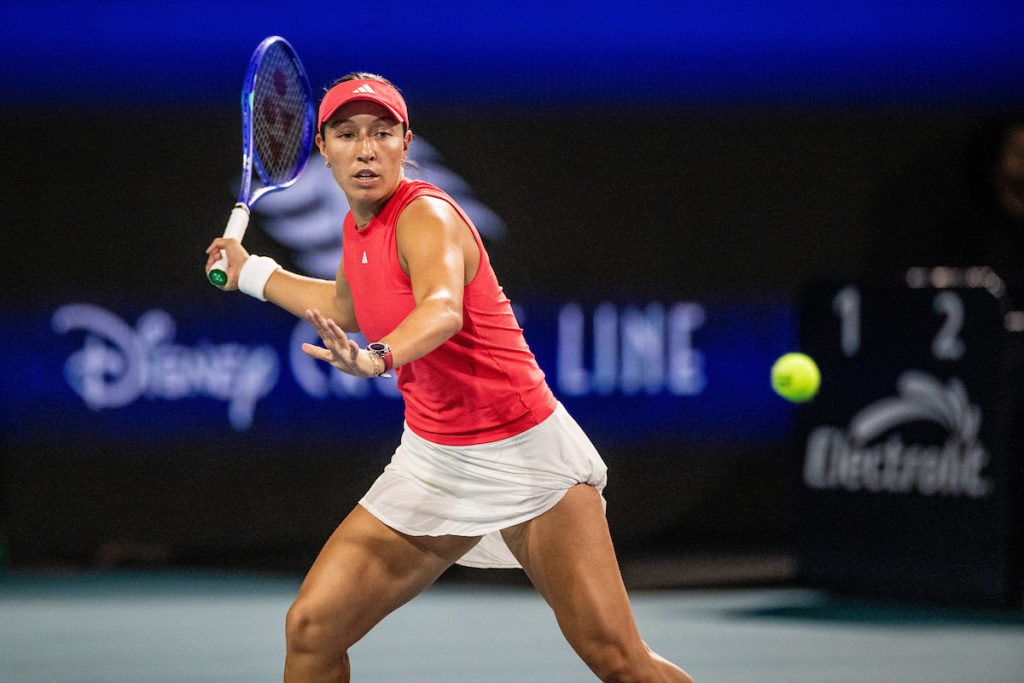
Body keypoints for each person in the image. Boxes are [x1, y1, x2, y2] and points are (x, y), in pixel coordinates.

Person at [204, 73, 694, 683]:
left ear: (405, 143)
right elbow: (346, 305)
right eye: (348, 134)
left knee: (619, 661)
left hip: (523, 453)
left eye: (382, 133)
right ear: (323, 149)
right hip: (433, 459)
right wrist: (252, 273)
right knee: (312, 630)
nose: (366, 150)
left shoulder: (427, 216)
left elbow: (441, 309)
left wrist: (378, 358)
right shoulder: (357, 226)